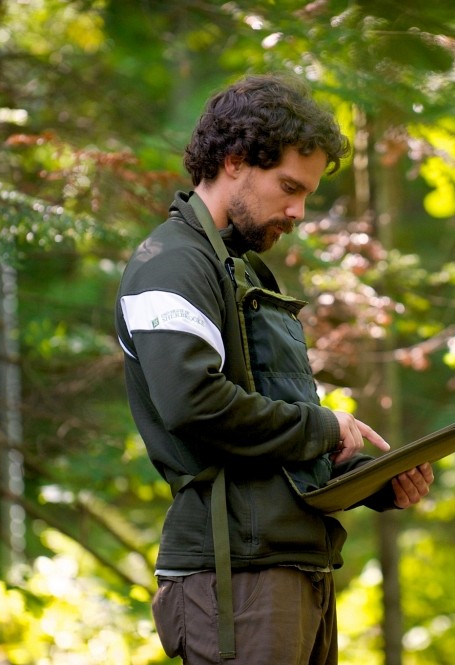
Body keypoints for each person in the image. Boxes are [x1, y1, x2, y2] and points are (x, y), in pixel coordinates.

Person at [115, 72, 435, 665]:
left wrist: (370, 479)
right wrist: (325, 427)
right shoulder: (172, 263)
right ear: (234, 160)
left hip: (291, 567)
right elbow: (195, 405)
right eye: (289, 186)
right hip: (237, 581)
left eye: (308, 193)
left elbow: (265, 434)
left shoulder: (241, 270)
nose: (299, 211)